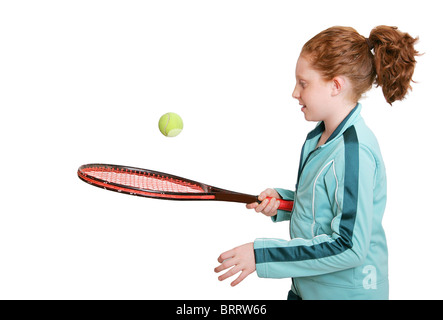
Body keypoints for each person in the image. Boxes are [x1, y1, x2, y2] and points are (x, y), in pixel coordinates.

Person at [214, 25, 419, 300]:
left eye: (304, 83)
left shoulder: (353, 152)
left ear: (336, 85)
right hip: (308, 290)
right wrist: (286, 203)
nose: (294, 93)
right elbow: (327, 205)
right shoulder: (320, 138)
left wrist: (260, 255)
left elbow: (348, 245)